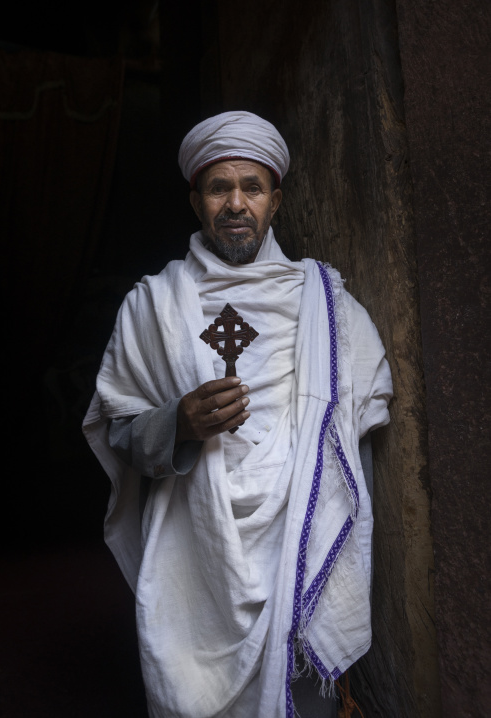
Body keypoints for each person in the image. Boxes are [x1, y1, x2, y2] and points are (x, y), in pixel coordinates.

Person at [83, 111, 393, 718]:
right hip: (193, 552)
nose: (235, 203)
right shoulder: (150, 306)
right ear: (195, 200)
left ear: (275, 201)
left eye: (251, 187)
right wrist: (178, 424)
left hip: (296, 537)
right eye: (218, 188)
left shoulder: (326, 303)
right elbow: (118, 431)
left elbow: (366, 409)